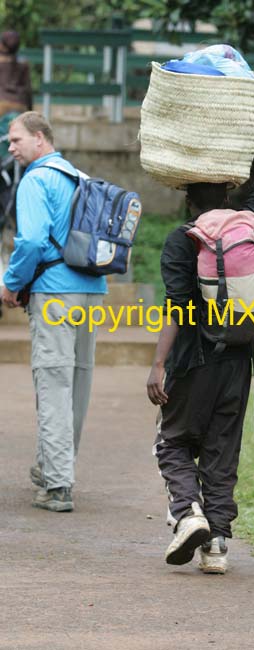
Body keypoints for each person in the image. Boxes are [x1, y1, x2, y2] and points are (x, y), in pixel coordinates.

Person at [147, 98, 254, 574]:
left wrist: (159, 364)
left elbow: (178, 306)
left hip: (192, 360)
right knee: (222, 449)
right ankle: (217, 545)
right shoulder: (251, 226)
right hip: (239, 360)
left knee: (173, 442)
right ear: (228, 191)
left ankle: (188, 513)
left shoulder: (184, 238)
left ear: (188, 198)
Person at [0, 111, 106, 512]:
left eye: (15, 140)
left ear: (40, 138)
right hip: (91, 291)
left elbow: (29, 242)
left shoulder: (36, 180)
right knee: (77, 384)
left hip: (55, 295)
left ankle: (58, 485)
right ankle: (51, 468)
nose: (10, 148)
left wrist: (11, 284)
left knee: (53, 383)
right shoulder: (78, 176)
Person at [0, 31, 32, 117]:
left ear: (3, 46)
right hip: (20, 105)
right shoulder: (24, 63)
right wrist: (30, 110)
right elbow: (28, 89)